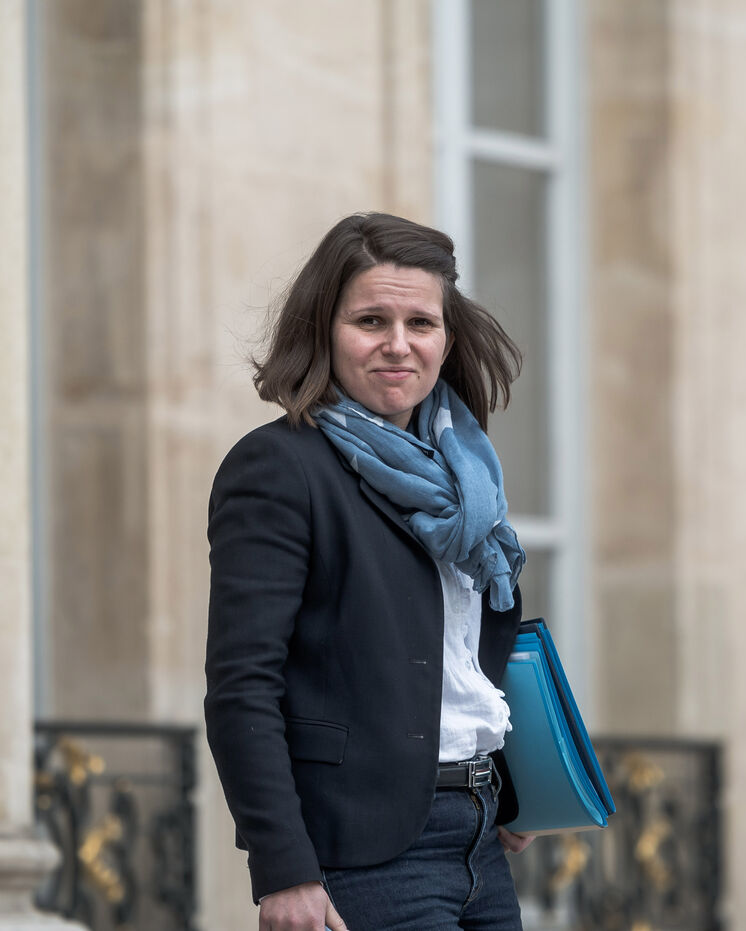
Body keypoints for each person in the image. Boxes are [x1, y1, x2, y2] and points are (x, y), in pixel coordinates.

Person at [205, 212, 535, 931]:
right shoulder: (279, 467)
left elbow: (459, 658)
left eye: (421, 322)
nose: (398, 343)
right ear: (324, 330)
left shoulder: (466, 475)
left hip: (482, 839)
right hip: (366, 855)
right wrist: (284, 868)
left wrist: (516, 784)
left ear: (447, 339)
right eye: (370, 320)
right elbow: (242, 685)